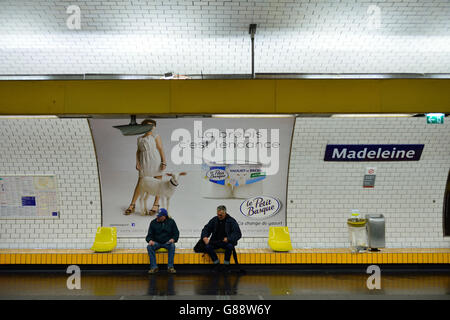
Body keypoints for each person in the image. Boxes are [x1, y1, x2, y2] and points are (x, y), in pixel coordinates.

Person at [125, 119, 167, 215]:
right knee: (140, 183)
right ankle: (132, 204)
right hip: (144, 161)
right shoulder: (139, 139)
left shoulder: (156, 136)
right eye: (148, 125)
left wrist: (164, 162)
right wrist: (137, 162)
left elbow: (160, 149)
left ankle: (156, 204)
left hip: (156, 161)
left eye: (152, 126)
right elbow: (138, 151)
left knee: (158, 183)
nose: (151, 128)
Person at [145, 208, 179, 274]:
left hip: (167, 242)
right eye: (157, 216)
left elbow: (176, 233)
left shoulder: (171, 222)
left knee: (172, 246)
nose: (157, 217)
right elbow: (149, 236)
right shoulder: (153, 222)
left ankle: (170, 267)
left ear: (164, 216)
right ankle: (154, 267)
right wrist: (150, 240)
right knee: (149, 247)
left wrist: (173, 239)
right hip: (156, 242)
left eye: (159, 216)